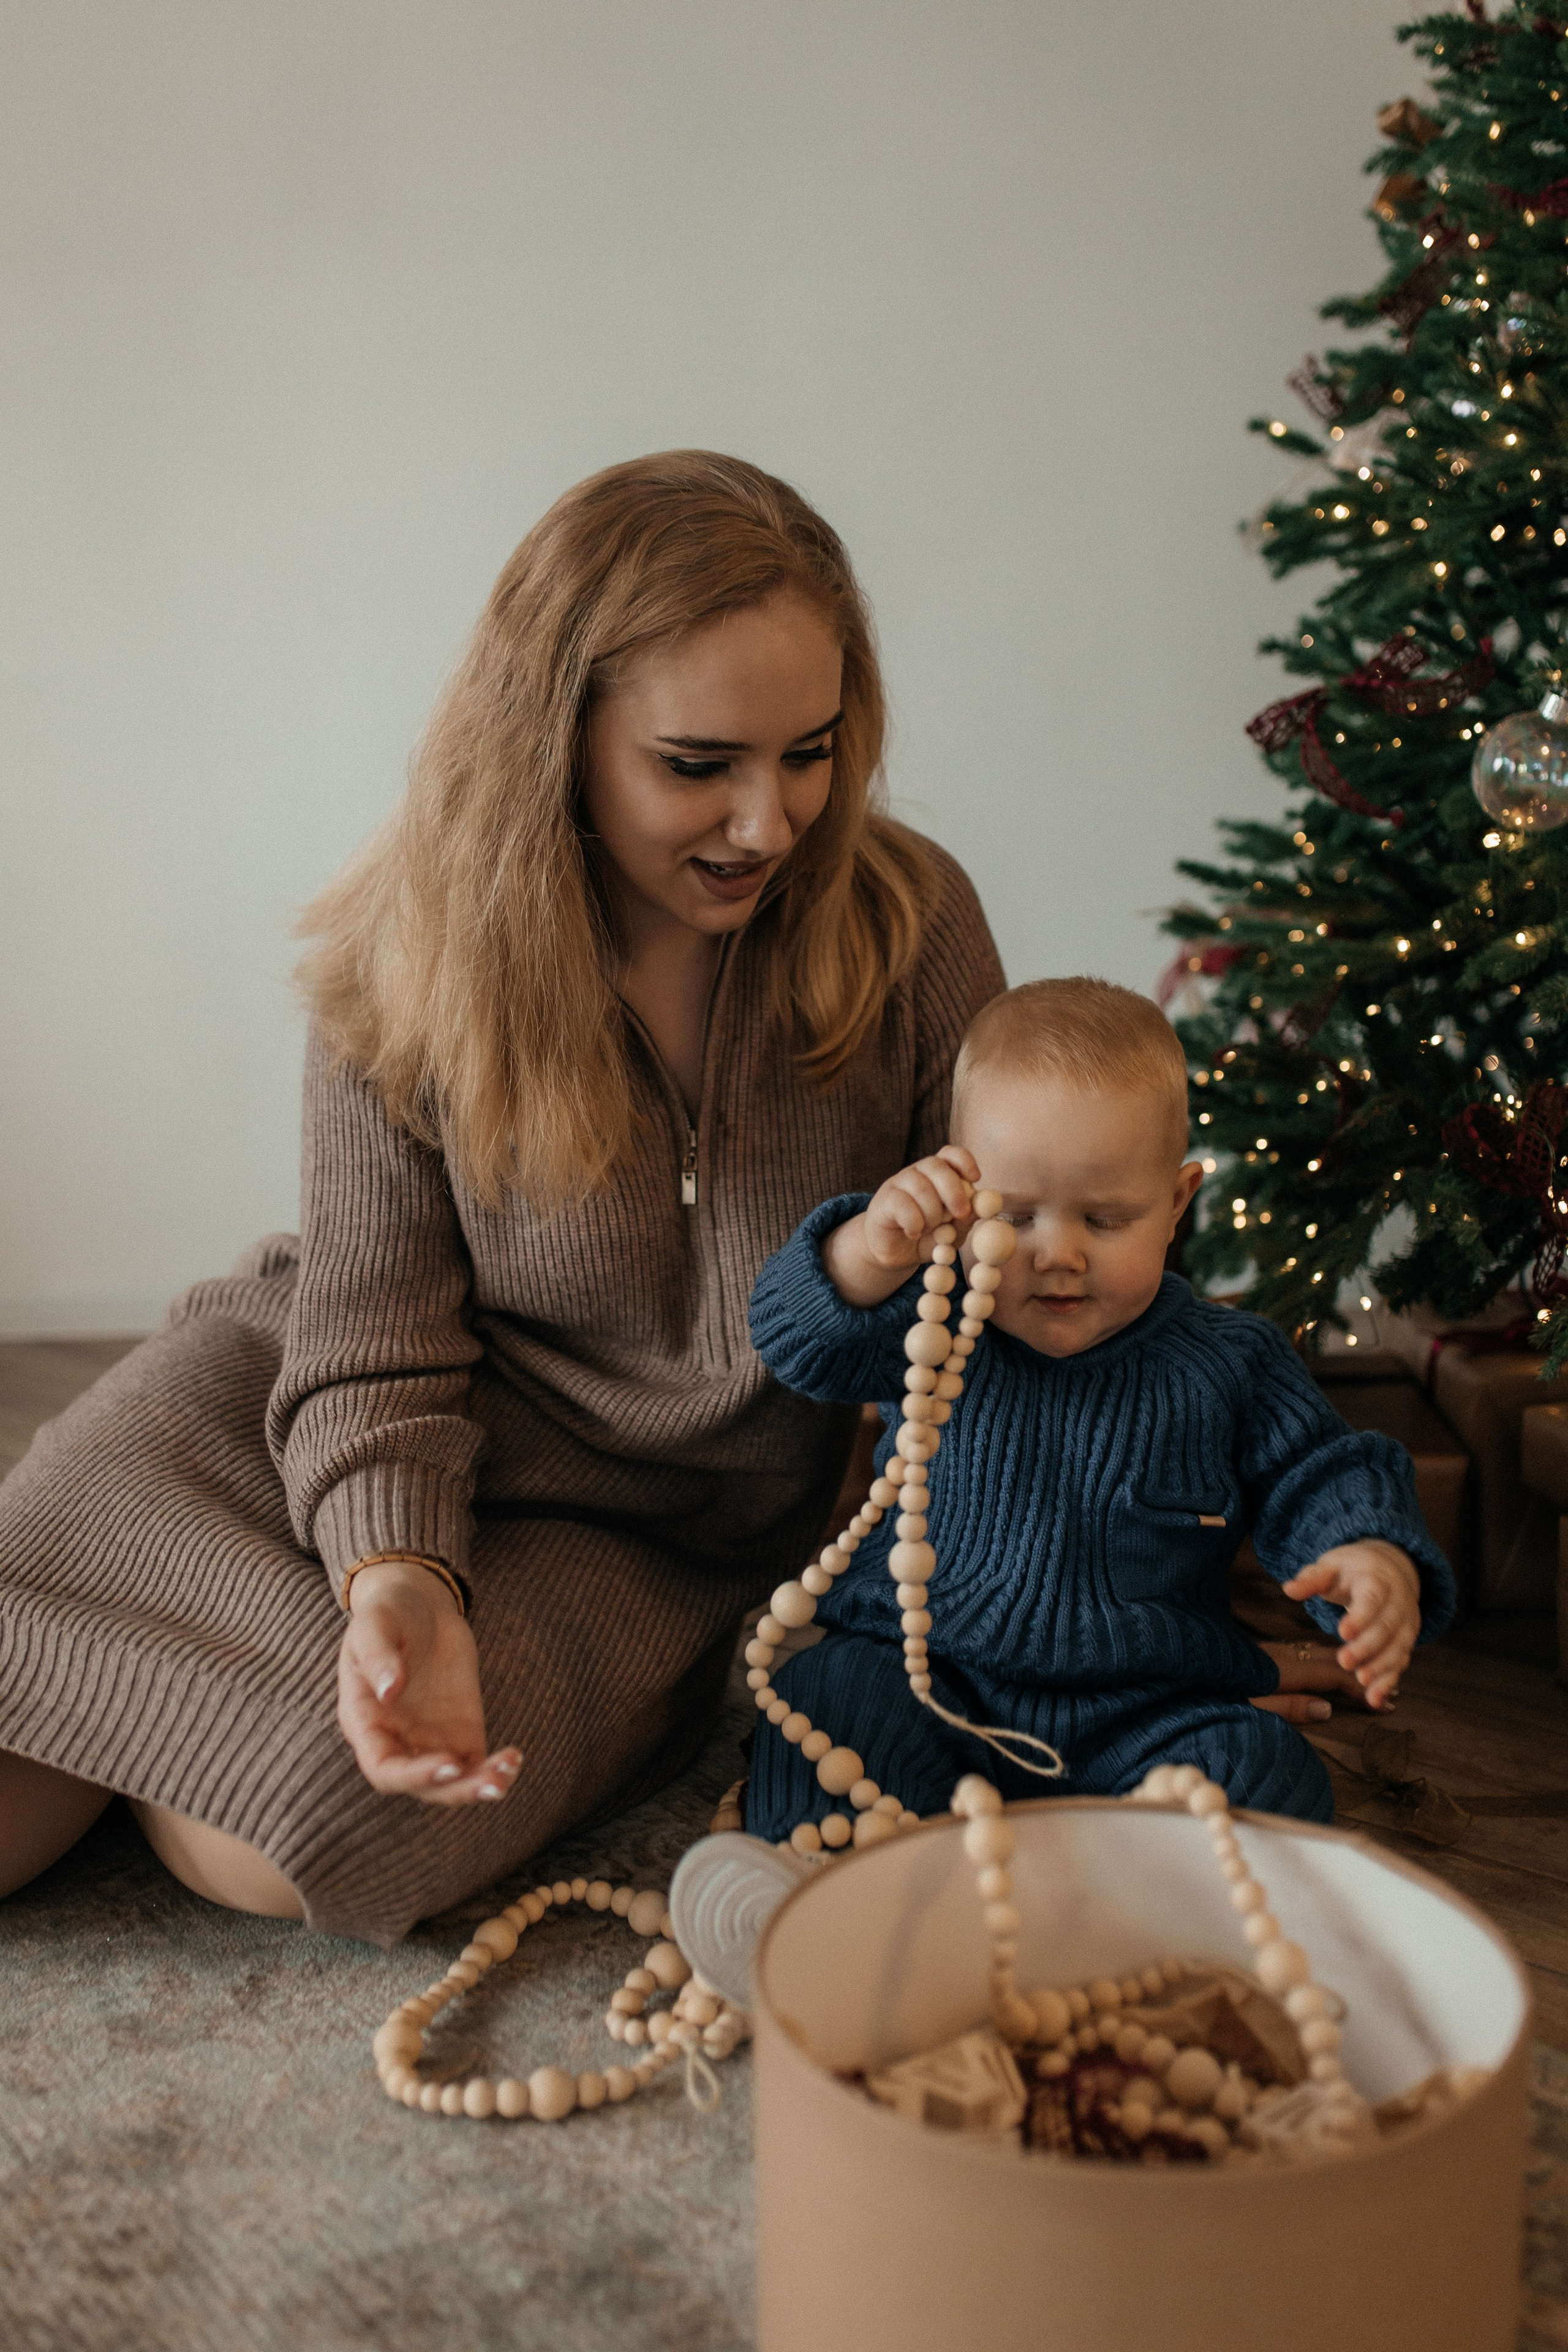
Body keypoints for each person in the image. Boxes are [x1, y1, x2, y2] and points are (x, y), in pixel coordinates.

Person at [0, 451, 1006, 1943]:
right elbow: (370, 1332)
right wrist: (397, 1578)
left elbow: (992, 1305)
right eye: (697, 764)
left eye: (809, 749)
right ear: (558, 731)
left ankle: (158, 1722)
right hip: (309, 1407)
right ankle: (147, 1704)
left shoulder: (910, 928)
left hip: (633, 1536)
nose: (766, 821)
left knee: (273, 1843)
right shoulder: (415, 953)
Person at [744, 976, 1457, 1838]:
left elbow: (1324, 1472)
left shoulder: (1232, 1360)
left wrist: (1371, 1557)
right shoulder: (935, 1315)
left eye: (1106, 1219)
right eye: (1015, 1215)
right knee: (823, 1703)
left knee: (1260, 1772)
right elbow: (799, 1342)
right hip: (928, 1676)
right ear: (964, 1197)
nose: (1057, 1256)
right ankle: (811, 1885)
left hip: (1144, 1710)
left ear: (1178, 1204)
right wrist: (872, 1248)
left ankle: (1134, 1905)